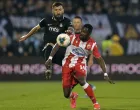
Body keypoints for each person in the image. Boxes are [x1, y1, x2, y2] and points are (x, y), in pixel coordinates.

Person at [45, 24, 114, 109]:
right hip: (67, 64)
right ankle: (73, 96)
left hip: (80, 64)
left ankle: (95, 103)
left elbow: (100, 59)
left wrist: (105, 74)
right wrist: (50, 58)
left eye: (85, 32)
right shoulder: (72, 37)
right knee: (66, 94)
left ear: (89, 34)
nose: (82, 33)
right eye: (82, 31)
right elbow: (57, 44)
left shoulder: (92, 44)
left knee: (82, 80)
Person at [19, 2, 73, 78]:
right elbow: (36, 28)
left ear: (63, 10)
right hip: (48, 49)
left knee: (71, 70)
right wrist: (26, 36)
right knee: (49, 45)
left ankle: (82, 81)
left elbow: (71, 28)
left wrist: (70, 31)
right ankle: (48, 69)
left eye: (60, 10)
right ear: (52, 11)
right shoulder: (46, 20)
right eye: (56, 10)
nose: (58, 12)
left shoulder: (67, 21)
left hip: (61, 49)